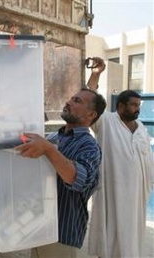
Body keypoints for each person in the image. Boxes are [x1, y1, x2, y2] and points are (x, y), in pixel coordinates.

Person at [16, 87, 107, 257]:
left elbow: (78, 179)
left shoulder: (88, 145)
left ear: (91, 115)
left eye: (77, 101)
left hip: (62, 233)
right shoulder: (53, 138)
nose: (68, 102)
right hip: (38, 227)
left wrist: (49, 150)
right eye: (71, 98)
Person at [86, 57, 154, 257]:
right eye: (133, 105)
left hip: (136, 198)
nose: (137, 108)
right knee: (110, 240)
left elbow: (147, 159)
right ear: (121, 106)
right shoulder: (105, 122)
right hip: (112, 195)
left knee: (131, 240)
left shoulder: (141, 128)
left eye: (138, 105)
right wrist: (96, 74)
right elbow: (91, 100)